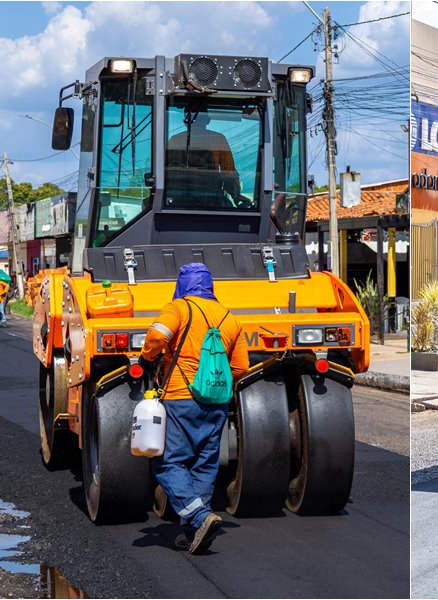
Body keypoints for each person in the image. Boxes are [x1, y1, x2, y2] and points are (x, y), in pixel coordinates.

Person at [139, 263, 249, 554]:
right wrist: (213, 385)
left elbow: (157, 337)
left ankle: (198, 516)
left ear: (183, 284)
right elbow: (240, 367)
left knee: (167, 462)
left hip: (180, 396)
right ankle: (194, 531)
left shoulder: (178, 308)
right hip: (216, 403)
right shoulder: (229, 317)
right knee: (204, 463)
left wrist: (145, 358)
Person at [168, 112, 241, 199]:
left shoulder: (175, 140)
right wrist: (235, 195)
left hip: (178, 197)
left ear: (185, 121)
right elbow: (229, 172)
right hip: (211, 198)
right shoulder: (218, 138)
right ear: (208, 120)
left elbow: (167, 170)